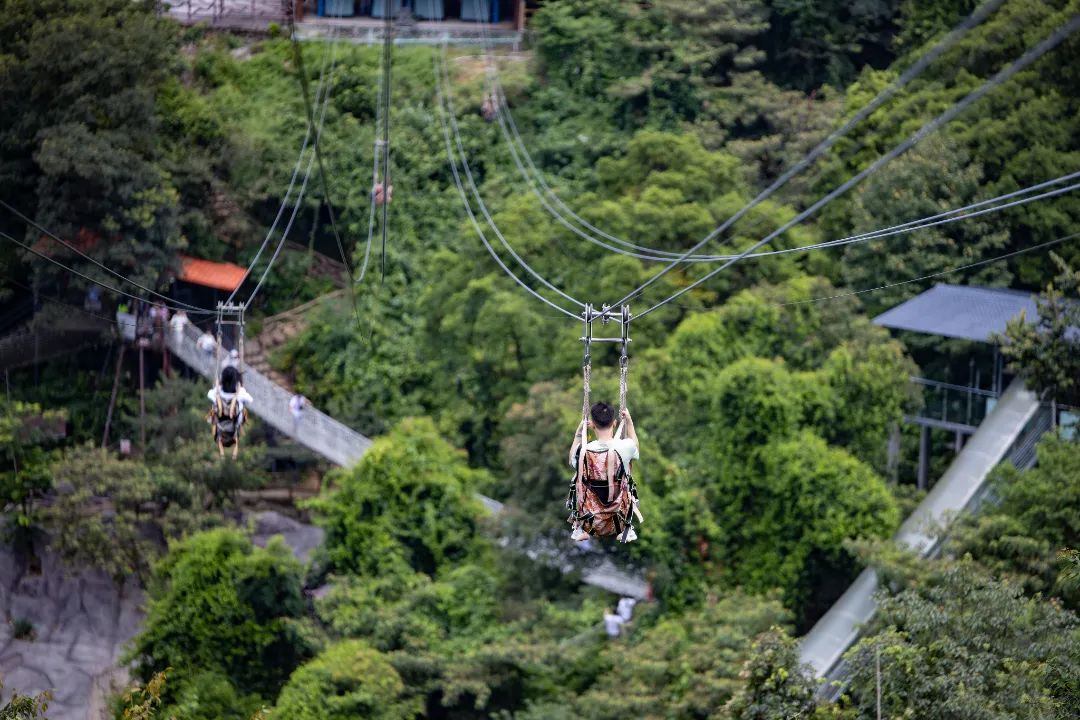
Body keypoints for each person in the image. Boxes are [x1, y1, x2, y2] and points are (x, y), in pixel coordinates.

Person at [568, 402, 640, 542]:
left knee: (578, 480)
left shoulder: (582, 451)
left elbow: (572, 460)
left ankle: (579, 528)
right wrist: (629, 423)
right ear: (614, 423)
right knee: (627, 482)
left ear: (592, 424)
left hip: (590, 519)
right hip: (619, 518)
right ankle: (626, 529)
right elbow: (636, 448)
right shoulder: (625, 446)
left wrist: (579, 433)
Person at [206, 365, 253, 459]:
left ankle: (222, 410)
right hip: (234, 423)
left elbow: (209, 394)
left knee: (215, 408)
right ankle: (232, 412)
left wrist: (217, 386)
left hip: (221, 422)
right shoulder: (240, 393)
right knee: (241, 410)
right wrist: (241, 389)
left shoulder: (217, 392)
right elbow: (250, 400)